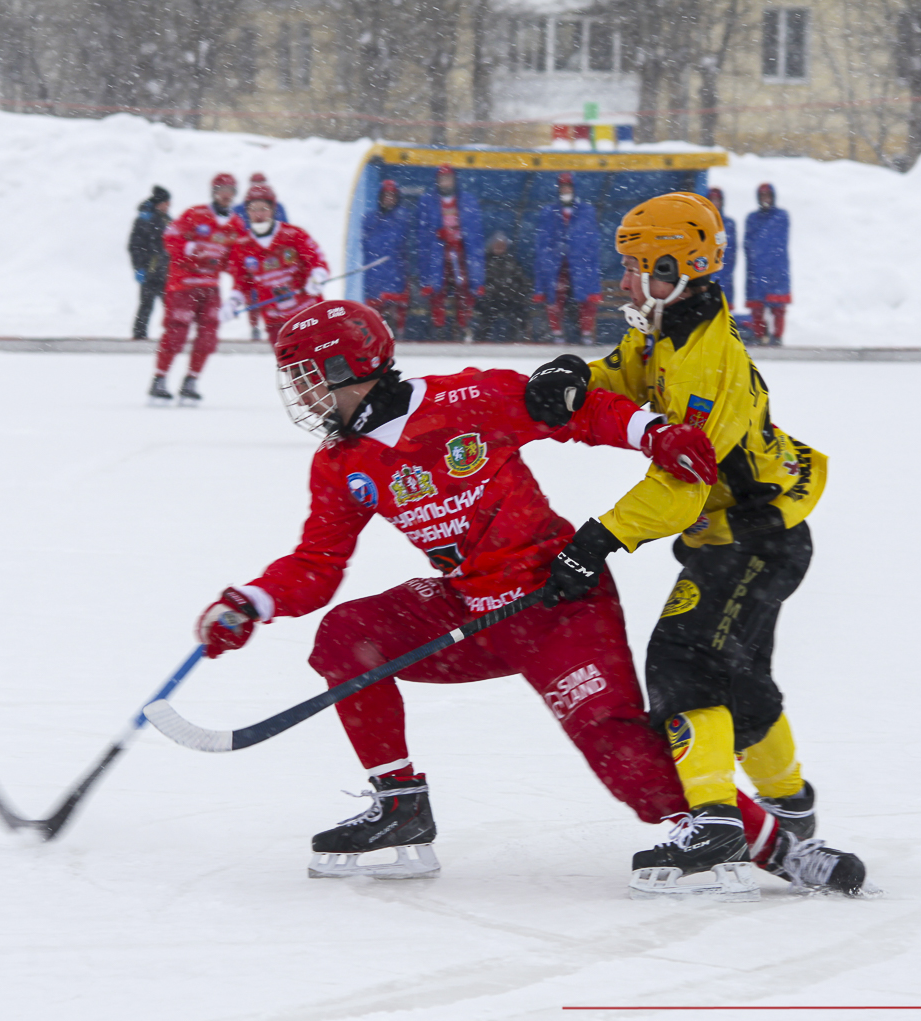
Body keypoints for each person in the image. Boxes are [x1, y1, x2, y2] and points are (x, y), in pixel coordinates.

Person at [191, 300, 785, 890]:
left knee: (616, 742)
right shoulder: (340, 463)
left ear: (347, 369)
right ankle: (401, 807)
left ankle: (770, 846)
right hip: (469, 614)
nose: (303, 396)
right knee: (349, 635)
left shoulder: (465, 400)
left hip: (558, 605)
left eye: (307, 379)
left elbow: (578, 412)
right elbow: (317, 564)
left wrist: (654, 432)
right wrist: (252, 601)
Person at [523, 191, 867, 895]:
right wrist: (575, 377)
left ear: (675, 268)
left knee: (684, 659)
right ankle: (790, 805)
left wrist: (599, 538)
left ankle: (714, 821)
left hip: (753, 534)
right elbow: (624, 373)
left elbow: (684, 479)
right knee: (737, 678)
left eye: (635, 267)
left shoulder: (706, 356)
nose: (623, 281)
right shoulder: (665, 327)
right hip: (735, 534)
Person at [151, 173, 247, 405]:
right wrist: (189, 248)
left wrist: (238, 291)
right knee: (177, 332)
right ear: (214, 192)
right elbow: (170, 236)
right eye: (222, 189)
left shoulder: (235, 224)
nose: (226, 195)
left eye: (231, 191)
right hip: (183, 284)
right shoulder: (195, 214)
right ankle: (160, 378)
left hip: (211, 287)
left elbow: (241, 258)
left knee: (208, 335)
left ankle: (191, 380)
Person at [229, 184, 329, 346]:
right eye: (253, 209)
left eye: (263, 208)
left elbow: (316, 259)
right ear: (246, 212)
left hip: (307, 312)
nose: (258, 214)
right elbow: (241, 282)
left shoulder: (294, 234)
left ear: (273, 209)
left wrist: (318, 276)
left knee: (321, 361)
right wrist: (234, 300)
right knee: (292, 367)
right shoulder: (242, 246)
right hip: (275, 320)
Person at [415, 163, 484, 341]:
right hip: (438, 253)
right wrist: (438, 234)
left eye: (448, 179)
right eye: (442, 179)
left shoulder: (467, 200)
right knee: (437, 289)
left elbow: (475, 231)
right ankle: (439, 327)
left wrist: (461, 235)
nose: (445, 182)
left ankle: (464, 326)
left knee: (465, 288)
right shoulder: (428, 201)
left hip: (461, 251)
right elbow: (422, 233)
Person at [532, 173, 602, 344]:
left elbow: (592, 242)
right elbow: (543, 241)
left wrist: (582, 256)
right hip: (556, 265)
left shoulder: (586, 211)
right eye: (562, 187)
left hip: (580, 264)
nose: (565, 190)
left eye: (568, 187)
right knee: (554, 297)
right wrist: (550, 257)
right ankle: (557, 333)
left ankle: (586, 333)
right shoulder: (549, 212)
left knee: (586, 298)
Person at [361, 179, 414, 337]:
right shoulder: (370, 219)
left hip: (397, 271)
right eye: (386, 195)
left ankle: (397, 334)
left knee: (397, 307)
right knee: (375, 310)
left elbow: (406, 245)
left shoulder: (403, 218)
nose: (389, 199)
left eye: (392, 196)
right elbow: (366, 244)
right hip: (375, 273)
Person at [743, 182, 792, 346]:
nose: (765, 199)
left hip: (776, 267)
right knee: (757, 306)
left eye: (768, 196)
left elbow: (777, 241)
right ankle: (759, 335)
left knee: (778, 307)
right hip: (756, 268)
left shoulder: (781, 216)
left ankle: (777, 336)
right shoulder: (752, 218)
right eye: (762, 196)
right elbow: (748, 244)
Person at [128, 186, 171, 341]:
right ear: (159, 203)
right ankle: (139, 335)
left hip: (166, 272)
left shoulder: (167, 220)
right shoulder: (144, 220)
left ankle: (174, 334)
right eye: (166, 203)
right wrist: (139, 268)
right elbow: (134, 246)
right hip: (150, 271)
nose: (168, 206)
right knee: (146, 305)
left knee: (171, 305)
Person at [473, 232, 532, 342]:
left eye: (502, 245)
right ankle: (480, 340)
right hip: (491, 299)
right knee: (488, 313)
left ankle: (516, 340)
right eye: (497, 245)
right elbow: (480, 282)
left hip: (511, 299)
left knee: (520, 312)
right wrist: (489, 291)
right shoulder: (485, 262)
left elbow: (523, 280)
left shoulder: (512, 262)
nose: (500, 247)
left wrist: (520, 291)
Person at [707, 187, 738, 310]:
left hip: (724, 276)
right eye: (712, 200)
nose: (715, 204)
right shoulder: (703, 222)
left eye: (717, 200)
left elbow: (732, 253)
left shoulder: (729, 224)